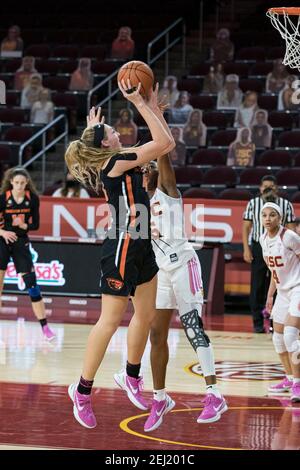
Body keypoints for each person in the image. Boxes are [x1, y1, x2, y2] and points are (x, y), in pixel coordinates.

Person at [65, 82, 175, 429]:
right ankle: (81, 391)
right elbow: (165, 144)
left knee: (145, 315)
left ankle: (131, 376)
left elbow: (162, 145)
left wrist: (154, 109)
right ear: (106, 144)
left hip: (141, 244)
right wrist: (141, 102)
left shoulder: (118, 156)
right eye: (113, 130)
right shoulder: (116, 161)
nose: (119, 131)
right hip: (121, 247)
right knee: (110, 320)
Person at [114, 154, 227, 432]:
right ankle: (160, 398)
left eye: (150, 167)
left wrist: (158, 137)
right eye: (143, 168)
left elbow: (163, 157)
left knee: (193, 328)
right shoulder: (135, 206)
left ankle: (214, 393)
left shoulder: (168, 193)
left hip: (183, 264)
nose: (147, 169)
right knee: (156, 335)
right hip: (159, 272)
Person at [0, 167, 56, 340]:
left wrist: (24, 226)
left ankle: (45, 328)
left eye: (22, 183)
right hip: (2, 240)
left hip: (20, 242)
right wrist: (2, 232)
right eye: (16, 183)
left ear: (27, 184)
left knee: (32, 284)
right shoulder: (3, 199)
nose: (19, 186)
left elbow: (36, 225)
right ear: (11, 183)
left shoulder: (32, 199)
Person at [243, 175, 296, 333]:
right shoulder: (253, 203)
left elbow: (291, 228)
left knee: (280, 282)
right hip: (260, 246)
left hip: (282, 248)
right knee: (257, 285)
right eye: (265, 187)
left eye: (271, 187)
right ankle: (258, 323)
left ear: (276, 188)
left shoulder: (286, 205)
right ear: (260, 188)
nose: (267, 189)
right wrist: (246, 248)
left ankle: (276, 322)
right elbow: (246, 227)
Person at [260, 202, 300, 402]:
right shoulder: (263, 239)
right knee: (278, 338)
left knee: (291, 336)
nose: (268, 218)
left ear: (280, 218)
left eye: (272, 215)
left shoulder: (289, 237)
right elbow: (274, 272)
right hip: (282, 292)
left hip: (298, 289)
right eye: (265, 215)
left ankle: (298, 384)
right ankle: (290, 377)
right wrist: (269, 295)